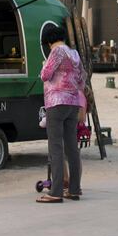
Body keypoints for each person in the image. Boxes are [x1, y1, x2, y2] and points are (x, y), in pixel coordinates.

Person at [36, 24, 85, 203]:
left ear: (49, 41)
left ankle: (55, 192)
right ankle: (74, 189)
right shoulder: (74, 54)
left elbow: (45, 74)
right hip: (73, 102)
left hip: (56, 102)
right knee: (72, 147)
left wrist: (43, 67)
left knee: (55, 147)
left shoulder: (56, 52)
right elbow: (81, 79)